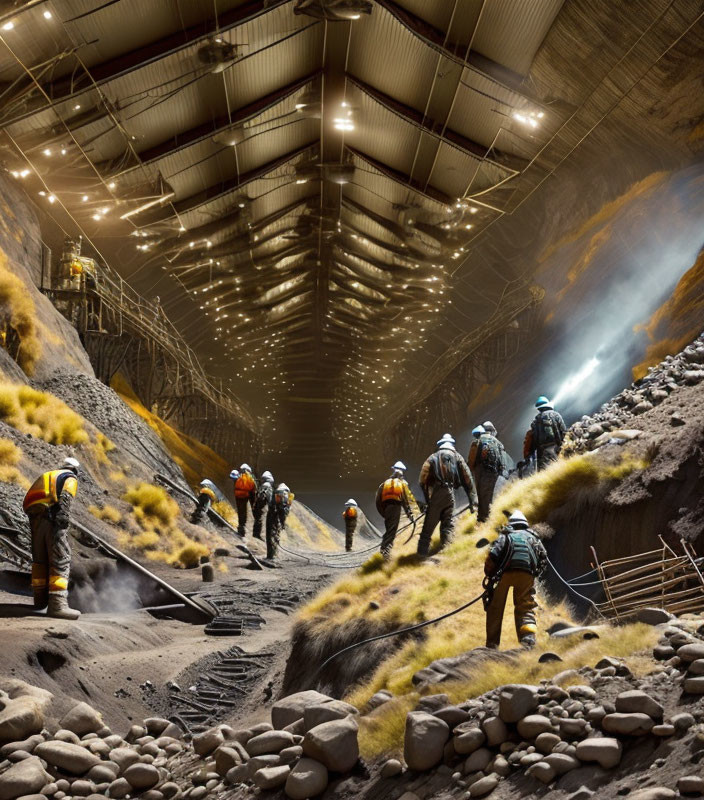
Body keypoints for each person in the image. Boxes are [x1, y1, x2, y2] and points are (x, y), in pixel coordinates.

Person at [23, 457, 81, 620]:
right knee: (61, 558)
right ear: (75, 470)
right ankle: (57, 606)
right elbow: (66, 497)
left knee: (40, 560)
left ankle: (40, 600)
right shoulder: (70, 477)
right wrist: (61, 521)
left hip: (34, 516)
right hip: (51, 516)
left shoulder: (49, 475)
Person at [483, 510, 546, 649]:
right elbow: (543, 559)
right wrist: (533, 575)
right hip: (526, 575)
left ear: (511, 524)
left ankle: (492, 645)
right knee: (525, 606)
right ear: (525, 524)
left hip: (503, 575)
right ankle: (528, 639)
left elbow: (493, 556)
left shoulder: (505, 536)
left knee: (495, 608)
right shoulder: (534, 538)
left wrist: (489, 575)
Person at [417, 438, 476, 557]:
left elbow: (423, 478)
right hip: (450, 494)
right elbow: (467, 477)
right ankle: (447, 553)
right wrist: (472, 497)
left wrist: (426, 500)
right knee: (447, 525)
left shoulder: (433, 457)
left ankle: (420, 557)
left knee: (427, 528)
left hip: (437, 494)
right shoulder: (457, 457)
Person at [375, 461, 418, 560]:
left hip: (386, 508)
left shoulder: (384, 483)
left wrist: (383, 513)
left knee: (389, 529)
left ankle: (384, 550)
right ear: (402, 473)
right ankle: (386, 553)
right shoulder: (403, 483)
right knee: (392, 531)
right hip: (395, 508)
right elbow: (406, 501)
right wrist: (410, 515)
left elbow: (378, 500)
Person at [473, 421, 510, 522]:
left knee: (482, 496)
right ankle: (489, 518)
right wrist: (503, 472)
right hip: (494, 473)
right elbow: (503, 458)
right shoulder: (497, 442)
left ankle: (483, 519)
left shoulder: (477, 441)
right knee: (491, 495)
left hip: (480, 473)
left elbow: (472, 459)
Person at [524, 397, 567, 470]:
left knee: (546, 474)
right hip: (557, 449)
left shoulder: (536, 421)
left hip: (543, 453)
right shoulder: (556, 415)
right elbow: (564, 432)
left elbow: (534, 441)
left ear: (539, 409)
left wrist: (529, 454)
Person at [266, 483, 294, 559]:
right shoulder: (287, 495)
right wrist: (282, 523)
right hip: (278, 513)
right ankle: (273, 554)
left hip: (272, 514)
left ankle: (270, 554)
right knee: (275, 533)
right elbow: (285, 510)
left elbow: (271, 504)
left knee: (270, 534)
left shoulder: (276, 493)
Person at [233, 463, 257, 537]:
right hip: (247, 495)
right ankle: (249, 529)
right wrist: (253, 502)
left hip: (238, 495)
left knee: (241, 512)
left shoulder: (238, 476)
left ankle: (241, 528)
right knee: (247, 511)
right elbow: (254, 488)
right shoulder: (250, 478)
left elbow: (235, 485)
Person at [252, 471, 274, 541]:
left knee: (257, 519)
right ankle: (256, 535)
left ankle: (255, 534)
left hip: (258, 504)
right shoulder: (268, 486)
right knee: (259, 519)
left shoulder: (263, 485)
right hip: (262, 505)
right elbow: (269, 497)